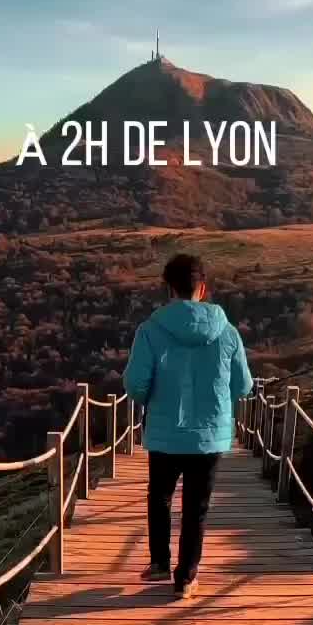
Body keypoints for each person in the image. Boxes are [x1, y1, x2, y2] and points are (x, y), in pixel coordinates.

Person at [123, 252, 253, 599]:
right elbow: (243, 386)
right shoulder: (227, 333)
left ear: (169, 288)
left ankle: (159, 563)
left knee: (160, 497)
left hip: (165, 431)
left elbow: (135, 385)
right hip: (210, 436)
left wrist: (155, 395)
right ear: (204, 287)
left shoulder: (150, 331)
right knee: (197, 506)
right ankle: (186, 578)